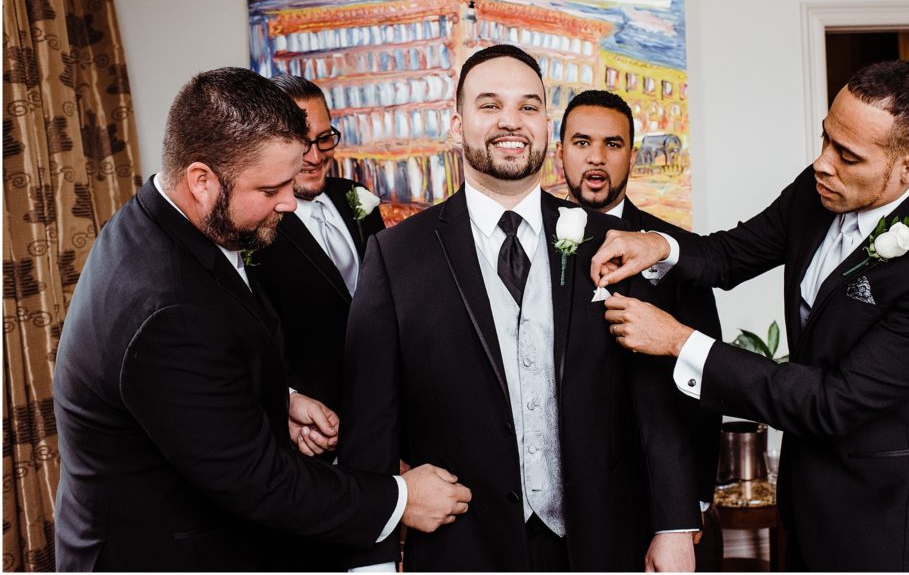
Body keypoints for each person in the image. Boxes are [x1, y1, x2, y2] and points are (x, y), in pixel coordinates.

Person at [592, 60, 909, 571]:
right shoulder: (824, 187)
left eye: (847, 154)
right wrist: (658, 244)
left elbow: (833, 402)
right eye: (825, 139)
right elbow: (730, 255)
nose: (822, 163)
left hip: (895, 515)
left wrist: (681, 341)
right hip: (806, 490)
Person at [53, 67, 470, 571]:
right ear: (201, 180)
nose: (289, 203)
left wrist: (279, 400)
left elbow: (203, 374)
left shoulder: (165, 221)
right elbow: (259, 481)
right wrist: (401, 498)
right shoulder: (167, 305)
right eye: (271, 188)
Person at [339, 45, 701, 572]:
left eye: (528, 106)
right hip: (461, 545)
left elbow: (652, 397)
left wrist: (672, 524)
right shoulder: (396, 257)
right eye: (490, 105)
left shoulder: (613, 243)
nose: (511, 121)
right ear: (457, 125)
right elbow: (369, 422)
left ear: (546, 125)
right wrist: (370, 558)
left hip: (603, 541)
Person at [555, 89, 723, 526]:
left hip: (647, 487)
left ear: (631, 155)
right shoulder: (527, 244)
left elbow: (702, 374)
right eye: (581, 142)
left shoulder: (675, 249)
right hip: (553, 490)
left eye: (612, 145)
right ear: (560, 153)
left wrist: (694, 502)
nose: (597, 158)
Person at [249, 75, 385, 459]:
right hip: (308, 437)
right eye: (300, 142)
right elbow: (253, 341)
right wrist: (286, 401)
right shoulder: (252, 225)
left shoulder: (353, 198)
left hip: (380, 422)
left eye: (324, 138)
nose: (314, 156)